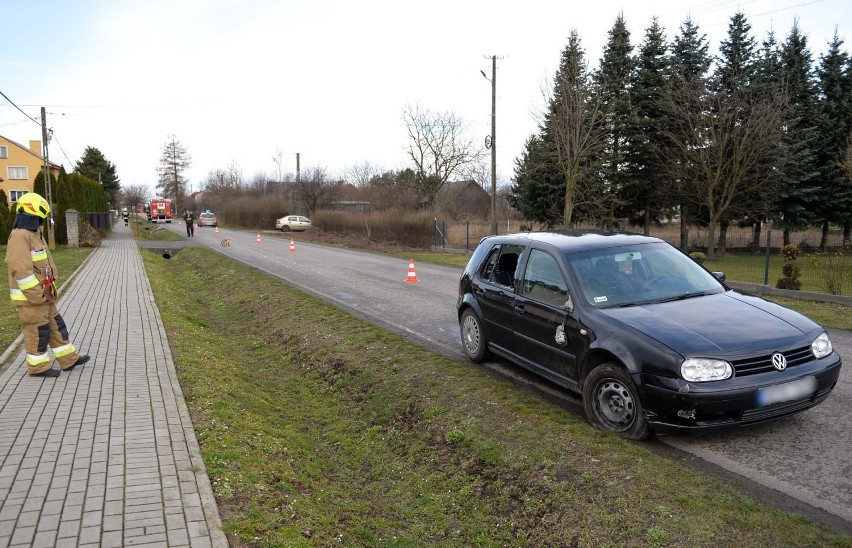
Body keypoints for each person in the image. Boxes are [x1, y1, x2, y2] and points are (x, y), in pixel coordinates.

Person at [5, 192, 89, 378]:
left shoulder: (34, 233)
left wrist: (49, 288)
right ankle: (38, 367)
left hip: (44, 293)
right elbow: (20, 269)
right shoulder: (20, 236)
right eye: (40, 216)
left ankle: (68, 359)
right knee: (37, 331)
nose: (42, 220)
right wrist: (36, 295)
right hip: (31, 298)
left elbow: (44, 262)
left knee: (55, 326)